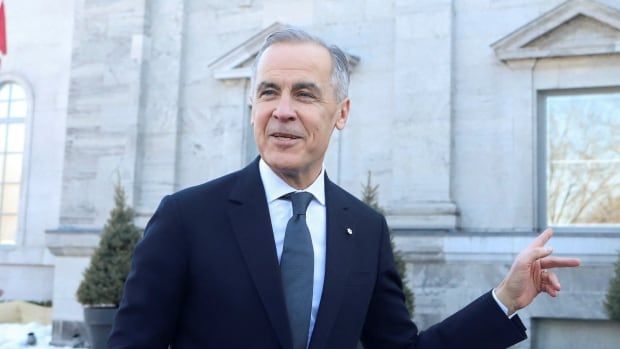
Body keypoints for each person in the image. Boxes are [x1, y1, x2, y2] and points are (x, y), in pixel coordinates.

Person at [107, 28, 580, 349]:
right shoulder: (186, 218)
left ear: (343, 113)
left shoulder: (366, 229)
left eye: (305, 94)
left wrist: (504, 300)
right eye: (268, 92)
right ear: (252, 107)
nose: (282, 110)